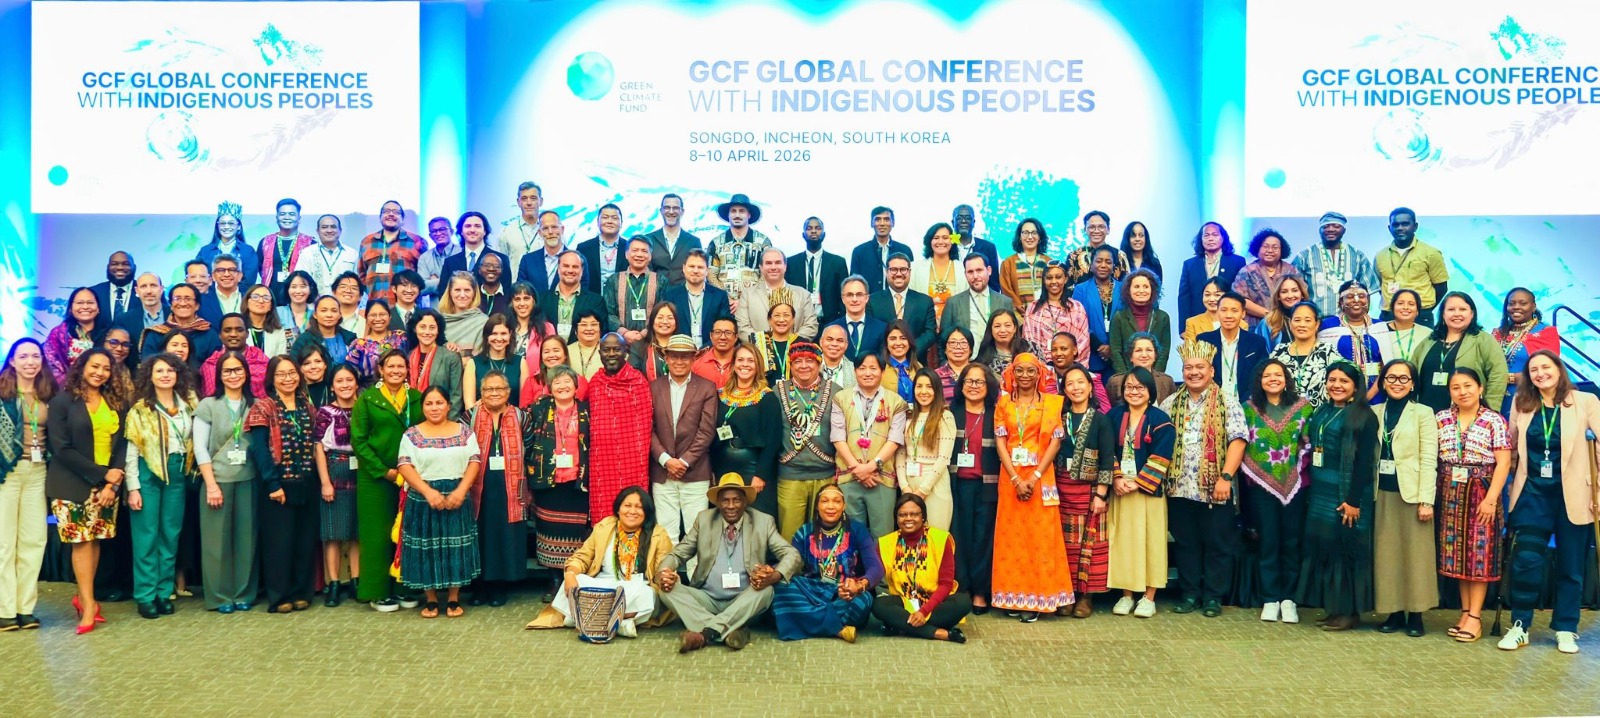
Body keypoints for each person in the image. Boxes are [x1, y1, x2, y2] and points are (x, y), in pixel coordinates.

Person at [1498, 351, 1600, 654]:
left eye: (1546, 367)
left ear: (1559, 369)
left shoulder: (1586, 402)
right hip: (1533, 495)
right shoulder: (1522, 402)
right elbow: (1511, 446)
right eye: (1534, 369)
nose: (1540, 373)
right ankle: (1520, 626)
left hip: (1575, 496)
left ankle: (1566, 628)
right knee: (1526, 561)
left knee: (1571, 565)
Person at [658, 473, 802, 652]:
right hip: (707, 599)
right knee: (665, 590)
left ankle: (705, 634)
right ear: (718, 502)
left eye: (737, 500)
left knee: (766, 591)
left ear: (745, 502)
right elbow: (678, 554)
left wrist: (774, 575)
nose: (731, 506)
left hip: (744, 601)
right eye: (725, 501)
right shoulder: (704, 520)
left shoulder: (763, 522)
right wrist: (664, 572)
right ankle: (730, 630)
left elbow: (792, 554)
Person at [1159, 342, 1247, 617]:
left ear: (1211, 371)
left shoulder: (1227, 401)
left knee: (1217, 544)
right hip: (1179, 487)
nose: (1194, 372)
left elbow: (1238, 441)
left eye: (1200, 367)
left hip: (1215, 487)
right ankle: (1190, 594)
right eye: (1189, 368)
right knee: (1186, 543)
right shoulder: (1170, 403)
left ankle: (1212, 597)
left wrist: (1225, 477)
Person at [49, 349, 130, 633]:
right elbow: (61, 448)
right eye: (95, 366)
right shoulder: (62, 402)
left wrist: (112, 483)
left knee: (95, 541)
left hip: (106, 486)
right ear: (82, 366)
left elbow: (122, 445)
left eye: (106, 368)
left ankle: (85, 599)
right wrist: (102, 474)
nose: (100, 373)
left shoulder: (115, 402)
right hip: (71, 483)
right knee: (81, 542)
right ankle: (88, 604)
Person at [1297, 362, 1378, 631]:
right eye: (1332, 380)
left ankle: (1349, 612)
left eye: (1344, 381)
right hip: (1321, 491)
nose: (1337, 385)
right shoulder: (1323, 410)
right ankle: (1333, 609)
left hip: (1348, 494)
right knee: (1326, 549)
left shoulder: (1364, 416)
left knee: (1345, 552)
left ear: (1356, 386)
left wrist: (1354, 501)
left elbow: (1365, 462)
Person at [992, 353, 1073, 620]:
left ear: (1040, 374)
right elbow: (1001, 443)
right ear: (1011, 374)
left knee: (1040, 539)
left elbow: (1055, 443)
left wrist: (1034, 476)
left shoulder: (1052, 403)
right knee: (1012, 539)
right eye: (1020, 370)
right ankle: (1014, 597)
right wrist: (1016, 479)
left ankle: (1038, 599)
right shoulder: (1003, 404)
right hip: (1010, 478)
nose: (1025, 375)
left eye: (1030, 370)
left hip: (1041, 477)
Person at [532, 486, 671, 637]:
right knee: (576, 580)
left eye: (639, 507)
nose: (632, 511)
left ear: (647, 512)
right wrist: (570, 575)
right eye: (627, 505)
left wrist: (665, 576)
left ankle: (585, 618)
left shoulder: (658, 534)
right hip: (602, 583)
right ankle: (618, 622)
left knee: (649, 595)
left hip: (635, 585)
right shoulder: (605, 527)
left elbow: (663, 567)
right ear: (618, 509)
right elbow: (582, 557)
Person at [1435, 367, 1511, 644]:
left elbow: (1504, 462)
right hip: (1450, 492)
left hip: (1481, 491)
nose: (1462, 392)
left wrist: (1491, 499)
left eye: (1468, 386)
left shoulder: (1494, 420)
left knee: (1479, 554)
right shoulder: (1441, 418)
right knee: (1457, 556)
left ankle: (1476, 618)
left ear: (1480, 389)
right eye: (1456, 387)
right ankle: (1465, 613)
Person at [122, 353, 198, 619]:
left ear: (178, 374)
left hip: (177, 472)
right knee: (146, 536)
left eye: (170, 370)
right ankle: (146, 595)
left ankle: (164, 593)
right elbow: (132, 452)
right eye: (159, 371)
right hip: (148, 473)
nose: (165, 375)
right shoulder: (140, 409)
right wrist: (133, 487)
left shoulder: (189, 405)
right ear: (150, 376)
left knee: (170, 534)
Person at [396, 386, 482, 618]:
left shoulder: (464, 432)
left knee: (456, 546)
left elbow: (474, 461)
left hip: (457, 495)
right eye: (429, 403)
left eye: (439, 403)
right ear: (422, 407)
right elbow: (404, 465)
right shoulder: (411, 435)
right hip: (423, 497)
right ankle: (431, 599)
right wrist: (427, 492)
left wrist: (461, 490)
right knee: (426, 548)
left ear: (448, 406)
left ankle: (454, 598)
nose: (434, 408)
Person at [1239, 359, 1313, 623]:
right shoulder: (1248, 409)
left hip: (1296, 485)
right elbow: (1242, 443)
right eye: (1267, 375)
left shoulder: (1303, 407)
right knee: (1268, 541)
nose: (1273, 379)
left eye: (1278, 374)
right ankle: (1270, 598)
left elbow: (1308, 443)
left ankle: (1289, 599)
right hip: (1261, 487)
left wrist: (1296, 470)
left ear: (1286, 379)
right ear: (1259, 380)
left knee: (1291, 542)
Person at [351, 350, 424, 611]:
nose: (396, 371)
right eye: (390, 366)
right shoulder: (367, 400)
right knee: (377, 535)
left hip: (411, 476)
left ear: (407, 370)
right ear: (381, 369)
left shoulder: (416, 398)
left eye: (400, 366)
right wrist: (384, 471)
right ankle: (377, 591)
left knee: (406, 532)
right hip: (376, 478)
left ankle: (404, 587)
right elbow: (359, 441)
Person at [1371, 359, 1439, 637]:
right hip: (1381, 493)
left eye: (1403, 378)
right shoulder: (1375, 412)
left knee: (1416, 556)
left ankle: (1416, 615)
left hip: (1412, 493)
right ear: (1383, 382)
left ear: (1412, 384)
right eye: (1391, 377)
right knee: (1387, 555)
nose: (1397, 383)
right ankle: (1394, 612)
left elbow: (1429, 458)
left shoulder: (1423, 413)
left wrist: (1426, 500)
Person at [246, 356, 319, 614]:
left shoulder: (307, 406)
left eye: (292, 373)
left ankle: (301, 592)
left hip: (306, 482)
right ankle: (279, 596)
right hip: (278, 483)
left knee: (304, 540)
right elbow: (259, 450)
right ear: (272, 378)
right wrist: (272, 484)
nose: (288, 379)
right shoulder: (263, 408)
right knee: (279, 543)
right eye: (281, 374)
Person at [772, 484, 884, 642]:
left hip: (844, 592)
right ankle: (837, 629)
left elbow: (876, 567)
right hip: (812, 590)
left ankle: (803, 617)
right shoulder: (804, 532)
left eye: (836, 501)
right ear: (817, 506)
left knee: (863, 601)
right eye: (825, 501)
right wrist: (771, 571)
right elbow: (791, 565)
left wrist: (859, 586)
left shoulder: (857, 530)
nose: (831, 506)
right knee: (782, 586)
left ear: (844, 506)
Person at [192, 350, 258, 613]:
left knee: (246, 540)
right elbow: (199, 448)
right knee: (215, 542)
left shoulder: (256, 404)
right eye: (227, 371)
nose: (233, 375)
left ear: (246, 373)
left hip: (248, 478)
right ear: (219, 375)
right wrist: (211, 485)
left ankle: (243, 593)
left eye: (238, 370)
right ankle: (220, 596)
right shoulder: (208, 405)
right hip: (217, 480)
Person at [0, 340, 57, 630]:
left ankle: (25, 608)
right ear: (12, 361)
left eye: (36, 356)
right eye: (23, 356)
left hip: (38, 472)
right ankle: (5, 609)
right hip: (6, 473)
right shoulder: (2, 394)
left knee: (34, 541)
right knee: (4, 543)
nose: (30, 362)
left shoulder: (49, 394)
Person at [525, 366, 592, 601]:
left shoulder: (587, 410)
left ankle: (573, 578)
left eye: (567, 382)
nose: (562, 386)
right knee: (549, 531)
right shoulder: (538, 409)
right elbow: (527, 440)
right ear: (550, 387)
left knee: (576, 533)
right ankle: (554, 580)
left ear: (576, 386)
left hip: (578, 481)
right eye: (557, 382)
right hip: (548, 480)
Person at [1054, 363, 1115, 617]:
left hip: (1090, 491)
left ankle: (1086, 597)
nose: (1076, 387)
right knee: (1065, 545)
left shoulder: (1101, 419)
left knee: (1089, 544)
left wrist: (1101, 493)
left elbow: (1108, 458)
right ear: (1064, 390)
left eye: (1081, 382)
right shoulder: (1059, 418)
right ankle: (1067, 593)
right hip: (1062, 489)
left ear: (1090, 387)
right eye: (1070, 383)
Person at [873, 493, 971, 642]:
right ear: (896, 518)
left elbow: (946, 584)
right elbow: (873, 573)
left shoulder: (940, 539)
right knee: (879, 605)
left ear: (923, 517)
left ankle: (901, 625)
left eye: (914, 514)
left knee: (963, 602)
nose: (908, 519)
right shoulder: (886, 543)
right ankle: (939, 633)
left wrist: (924, 611)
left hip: (935, 602)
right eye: (902, 515)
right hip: (904, 601)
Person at [651, 335, 721, 539]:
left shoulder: (707, 387)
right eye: (674, 356)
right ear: (666, 358)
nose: (679, 361)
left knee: (696, 533)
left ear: (693, 358)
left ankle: (695, 566)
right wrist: (666, 460)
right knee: (666, 534)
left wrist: (683, 462)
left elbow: (707, 431)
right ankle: (668, 565)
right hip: (662, 472)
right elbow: (648, 429)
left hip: (695, 471)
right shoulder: (653, 387)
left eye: (685, 356)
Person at [830, 352, 907, 537]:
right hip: (850, 477)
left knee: (883, 535)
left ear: (882, 371)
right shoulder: (840, 398)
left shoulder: (896, 401)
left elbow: (894, 440)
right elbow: (838, 437)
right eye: (862, 368)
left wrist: (871, 467)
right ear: (855, 371)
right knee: (851, 536)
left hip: (881, 478)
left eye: (873, 368)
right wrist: (857, 469)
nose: (867, 373)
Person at [774, 342, 839, 540]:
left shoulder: (835, 392)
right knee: (790, 537)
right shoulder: (777, 391)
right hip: (790, 476)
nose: (803, 366)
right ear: (790, 365)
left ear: (819, 364)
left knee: (824, 535)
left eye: (809, 361)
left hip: (826, 475)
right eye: (797, 361)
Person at [948, 364, 999, 613]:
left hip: (987, 485)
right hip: (957, 485)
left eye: (979, 382)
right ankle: (963, 588)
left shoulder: (996, 414)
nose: (974, 386)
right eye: (969, 381)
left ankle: (980, 591)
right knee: (960, 537)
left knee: (983, 539)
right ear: (961, 385)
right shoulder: (952, 412)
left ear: (988, 386)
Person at [586, 333, 653, 521]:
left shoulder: (638, 382)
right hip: (602, 463)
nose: (611, 354)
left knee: (632, 510)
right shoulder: (595, 383)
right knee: (604, 517)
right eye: (606, 350)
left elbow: (645, 427)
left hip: (633, 463)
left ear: (626, 352)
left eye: (616, 349)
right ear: (599, 353)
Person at [711, 343, 781, 519]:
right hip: (724, 466)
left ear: (758, 365)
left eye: (750, 361)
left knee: (756, 519)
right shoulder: (720, 395)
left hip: (753, 467)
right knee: (728, 517)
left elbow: (773, 441)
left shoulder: (767, 397)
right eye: (740, 360)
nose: (745, 364)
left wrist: (761, 474)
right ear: (734, 364)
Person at [311, 364, 361, 608]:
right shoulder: (325, 412)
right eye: (339, 381)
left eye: (349, 380)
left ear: (356, 383)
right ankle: (333, 583)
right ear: (332, 386)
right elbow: (318, 447)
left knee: (356, 531)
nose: (345, 385)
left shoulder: (363, 408)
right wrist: (325, 482)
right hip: (335, 469)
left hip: (361, 471)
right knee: (332, 532)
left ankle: (356, 581)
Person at [1410, 292, 1508, 414]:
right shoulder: (1429, 340)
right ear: (1443, 314)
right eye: (1451, 309)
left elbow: (1498, 375)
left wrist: (1489, 411)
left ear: (1472, 314)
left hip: (1467, 416)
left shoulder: (1484, 340)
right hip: (1424, 414)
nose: (1457, 314)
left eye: (1462, 309)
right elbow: (1411, 372)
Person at [1292, 211, 1379, 316]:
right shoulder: (1304, 256)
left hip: (1349, 320)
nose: (1330, 229)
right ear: (1319, 230)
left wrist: (1362, 318)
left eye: (1336, 226)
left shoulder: (1357, 256)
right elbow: (1293, 291)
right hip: (1315, 320)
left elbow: (1367, 291)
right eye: (1325, 226)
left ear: (1344, 230)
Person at [899, 368, 955, 530]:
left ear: (937, 390)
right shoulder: (908, 416)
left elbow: (943, 458)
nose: (923, 391)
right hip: (909, 483)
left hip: (934, 485)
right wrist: (904, 487)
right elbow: (901, 452)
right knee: (911, 537)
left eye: (929, 387)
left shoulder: (944, 416)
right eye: (919, 386)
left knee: (934, 535)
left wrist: (923, 491)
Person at [1375, 208, 1449, 325]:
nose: (1400, 228)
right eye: (1395, 225)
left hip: (1420, 316)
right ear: (1389, 228)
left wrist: (1422, 310)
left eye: (1405, 224)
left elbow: (1441, 287)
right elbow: (1380, 286)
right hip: (1388, 315)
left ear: (1415, 226)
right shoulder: (1380, 256)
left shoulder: (1431, 253)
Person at [1492, 287, 1560, 414]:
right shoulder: (1497, 333)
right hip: (1495, 397)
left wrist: (1506, 378)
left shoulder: (1545, 333)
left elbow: (1549, 371)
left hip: (1530, 397)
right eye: (1511, 304)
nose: (1516, 307)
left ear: (1533, 307)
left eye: (1523, 303)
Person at [1317, 280, 1387, 400]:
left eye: (1361, 296)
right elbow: (1321, 363)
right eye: (1349, 297)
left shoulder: (1380, 326)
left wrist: (1368, 396)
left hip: (1375, 395)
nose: (1356, 300)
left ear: (1368, 300)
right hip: (1338, 395)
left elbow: (1387, 364)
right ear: (1341, 302)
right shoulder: (1328, 325)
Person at [1199, 292, 1270, 405]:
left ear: (1243, 314)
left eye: (1234, 311)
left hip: (1247, 404)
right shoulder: (1204, 340)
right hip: (1212, 404)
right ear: (1217, 312)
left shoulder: (1256, 342)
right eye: (1224, 310)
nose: (1228, 315)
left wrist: (1246, 403)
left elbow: (1261, 376)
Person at [735, 247, 817, 344]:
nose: (773, 267)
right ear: (761, 267)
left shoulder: (802, 294)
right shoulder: (748, 295)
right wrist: (765, 345)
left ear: (785, 266)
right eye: (768, 263)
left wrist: (790, 344)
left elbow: (811, 325)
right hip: (759, 350)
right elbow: (742, 327)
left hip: (794, 350)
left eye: (778, 263)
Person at [1267, 302, 1341, 408]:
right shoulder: (1279, 351)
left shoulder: (1327, 351)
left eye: (1307, 320)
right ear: (1290, 323)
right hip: (1284, 414)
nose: (1302, 324)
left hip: (1319, 414)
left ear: (1317, 324)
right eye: (1297, 320)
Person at [867, 253, 939, 360]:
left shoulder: (925, 301)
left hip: (916, 362)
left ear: (909, 272)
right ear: (886, 272)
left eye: (903, 269)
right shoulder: (872, 301)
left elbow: (930, 333)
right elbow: (870, 332)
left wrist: (910, 351)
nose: (899, 274)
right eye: (894, 270)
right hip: (883, 362)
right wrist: (889, 353)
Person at [705, 193, 774, 302]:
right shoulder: (716, 243)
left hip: (754, 302)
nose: (737, 215)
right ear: (728, 214)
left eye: (742, 211)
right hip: (723, 304)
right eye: (733, 211)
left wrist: (747, 299)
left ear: (749, 214)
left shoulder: (763, 242)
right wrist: (725, 298)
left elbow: (767, 273)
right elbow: (710, 275)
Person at [1176, 222, 1246, 327]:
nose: (1210, 239)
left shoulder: (1237, 261)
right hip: (1198, 322)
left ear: (1223, 238)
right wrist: (1183, 327)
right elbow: (1184, 297)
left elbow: (1241, 295)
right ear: (1201, 239)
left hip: (1229, 320)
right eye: (1206, 235)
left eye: (1215, 235)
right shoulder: (1190, 264)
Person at [663, 251, 734, 351]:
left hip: (711, 351)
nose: (695, 271)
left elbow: (725, 326)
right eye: (691, 266)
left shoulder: (719, 296)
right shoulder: (671, 295)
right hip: (680, 351)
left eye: (700, 267)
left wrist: (705, 350)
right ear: (684, 268)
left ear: (707, 270)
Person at [357, 200, 422, 306]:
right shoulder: (367, 242)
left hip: (406, 307)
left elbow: (422, 276)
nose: (391, 214)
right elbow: (362, 274)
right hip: (376, 307)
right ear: (380, 217)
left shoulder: (417, 241)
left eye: (396, 212)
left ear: (403, 218)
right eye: (386, 211)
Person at [787, 217, 850, 326]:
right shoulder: (791, 263)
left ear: (824, 234)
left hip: (829, 323)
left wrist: (841, 323)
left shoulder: (837, 262)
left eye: (818, 228)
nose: (813, 231)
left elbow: (843, 295)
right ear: (803, 235)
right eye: (809, 228)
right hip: (798, 324)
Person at [1070, 246, 1122, 376]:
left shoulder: (1124, 289)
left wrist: (1112, 347)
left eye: (1108, 262)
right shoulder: (1081, 290)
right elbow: (1077, 323)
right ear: (1091, 265)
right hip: (1091, 356)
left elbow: (1127, 321)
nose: (1103, 265)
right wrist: (1099, 346)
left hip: (1118, 358)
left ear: (1114, 266)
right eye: (1099, 261)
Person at [1109, 269, 1171, 375]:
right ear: (1128, 290)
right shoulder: (1119, 317)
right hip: (1127, 376)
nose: (1141, 290)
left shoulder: (1163, 317)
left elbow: (1164, 351)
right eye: (1136, 287)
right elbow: (1115, 351)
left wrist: (1155, 376)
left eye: (1146, 287)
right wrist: (1126, 377)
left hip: (1154, 376)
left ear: (1152, 290)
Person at [602, 237, 664, 344]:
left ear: (650, 256)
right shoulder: (613, 280)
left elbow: (662, 313)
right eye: (635, 250)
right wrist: (625, 333)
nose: (639, 255)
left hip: (651, 342)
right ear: (626, 254)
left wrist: (644, 333)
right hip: (620, 343)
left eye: (644, 251)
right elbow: (608, 312)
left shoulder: (661, 281)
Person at [1023, 262, 1090, 361]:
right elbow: (1028, 342)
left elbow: (1082, 342)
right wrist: (1043, 366)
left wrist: (1069, 366)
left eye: (1058, 277)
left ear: (1065, 279)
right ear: (1044, 280)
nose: (1054, 281)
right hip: (1040, 366)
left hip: (1070, 366)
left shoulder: (1076, 308)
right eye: (1049, 278)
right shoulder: (1033, 308)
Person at [197, 313, 271, 402]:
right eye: (227, 330)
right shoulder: (209, 366)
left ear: (247, 334)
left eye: (239, 330)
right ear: (220, 335)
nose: (233, 334)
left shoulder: (262, 362)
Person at [407, 309, 465, 419]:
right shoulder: (409, 357)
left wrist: (449, 422)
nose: (427, 332)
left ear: (438, 330)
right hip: (413, 419)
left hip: (443, 420)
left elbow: (456, 395)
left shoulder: (450, 356)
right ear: (415, 329)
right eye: (422, 327)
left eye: (432, 327)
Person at [541, 250, 607, 341]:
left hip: (581, 349)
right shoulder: (542, 300)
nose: (570, 270)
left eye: (575, 267)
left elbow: (600, 333)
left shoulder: (596, 301)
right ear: (558, 269)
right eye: (566, 266)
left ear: (582, 270)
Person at [45, 286, 107, 383]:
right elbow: (51, 363)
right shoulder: (58, 334)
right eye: (80, 303)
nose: (85, 307)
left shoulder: (108, 333)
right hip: (66, 388)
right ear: (70, 309)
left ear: (98, 308)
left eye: (90, 303)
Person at [641, 193, 702, 286]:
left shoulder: (693, 241)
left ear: (682, 211)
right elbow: (644, 271)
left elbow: (698, 272)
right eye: (667, 207)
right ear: (661, 211)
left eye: (675, 208)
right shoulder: (648, 239)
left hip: (684, 293)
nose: (671, 211)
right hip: (655, 293)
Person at [293, 214, 358, 301]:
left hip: (344, 305)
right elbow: (300, 281)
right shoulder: (307, 253)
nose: (329, 230)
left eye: (333, 227)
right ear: (317, 231)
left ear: (340, 230)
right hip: (314, 306)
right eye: (324, 227)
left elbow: (358, 284)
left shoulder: (352, 254)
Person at [849, 205, 912, 294]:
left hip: (898, 300)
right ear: (872, 223)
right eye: (878, 219)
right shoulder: (859, 252)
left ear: (893, 223)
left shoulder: (905, 250)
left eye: (886, 219)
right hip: (869, 301)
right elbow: (854, 284)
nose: (882, 223)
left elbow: (910, 281)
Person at [256, 198, 315, 292]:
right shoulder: (265, 242)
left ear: (299, 218)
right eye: (282, 214)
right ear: (277, 218)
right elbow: (260, 269)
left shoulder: (310, 243)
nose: (287, 217)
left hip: (299, 296)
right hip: (271, 296)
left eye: (292, 214)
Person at [196, 201, 261, 285]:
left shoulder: (247, 251)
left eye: (231, 223)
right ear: (217, 226)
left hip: (239, 293)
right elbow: (198, 275)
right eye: (223, 223)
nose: (226, 227)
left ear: (238, 226)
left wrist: (231, 291)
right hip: (210, 293)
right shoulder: (205, 251)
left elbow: (248, 281)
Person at [826, 275, 888, 364]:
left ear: (867, 298)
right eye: (849, 295)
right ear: (843, 299)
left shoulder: (881, 329)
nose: (854, 299)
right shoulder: (830, 329)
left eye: (859, 294)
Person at [463, 315, 522, 406]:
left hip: (514, 414)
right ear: (487, 336)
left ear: (510, 335)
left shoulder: (520, 362)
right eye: (494, 334)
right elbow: (469, 406)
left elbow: (524, 404)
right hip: (481, 414)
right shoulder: (473, 363)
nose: (499, 338)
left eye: (503, 333)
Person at [908, 222, 962, 322]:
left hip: (955, 325)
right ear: (929, 241)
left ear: (952, 241)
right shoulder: (915, 268)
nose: (940, 241)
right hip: (923, 324)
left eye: (945, 238)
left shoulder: (963, 269)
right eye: (936, 238)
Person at [344, 301, 408, 384]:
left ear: (390, 316)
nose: (378, 319)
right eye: (373, 315)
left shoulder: (400, 338)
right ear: (366, 318)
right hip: (368, 389)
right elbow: (350, 374)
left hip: (400, 387)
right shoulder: (359, 345)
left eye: (382, 314)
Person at [1108, 333, 1179, 406]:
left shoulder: (1167, 381)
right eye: (1138, 350)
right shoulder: (1116, 382)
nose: (1144, 355)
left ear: (1155, 355)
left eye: (1149, 350)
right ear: (1130, 356)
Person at [1045, 332, 1110, 411]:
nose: (1058, 353)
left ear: (1074, 350)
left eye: (1063, 349)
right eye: (1054, 350)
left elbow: (1104, 410)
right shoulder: (1043, 376)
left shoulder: (1090, 377)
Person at [1066, 210, 1131, 286]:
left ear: (1108, 230)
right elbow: (1068, 286)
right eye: (1092, 227)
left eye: (1101, 227)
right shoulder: (1073, 256)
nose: (1096, 231)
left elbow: (1127, 285)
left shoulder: (1119, 255)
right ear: (1085, 230)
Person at [520, 334, 588, 407]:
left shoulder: (579, 381)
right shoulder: (532, 381)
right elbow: (524, 409)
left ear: (565, 355)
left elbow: (584, 407)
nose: (551, 355)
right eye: (546, 352)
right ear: (541, 357)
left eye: (556, 350)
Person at [290, 296, 357, 368]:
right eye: (323, 310)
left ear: (339, 315)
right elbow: (294, 365)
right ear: (315, 314)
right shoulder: (304, 340)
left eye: (334, 311)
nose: (329, 315)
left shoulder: (350, 338)